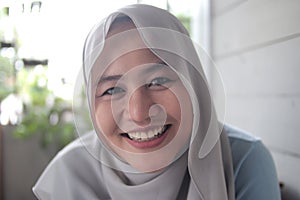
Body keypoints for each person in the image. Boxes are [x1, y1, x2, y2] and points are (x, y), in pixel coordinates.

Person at [33, 4, 281, 200]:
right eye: (112, 90)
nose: (139, 113)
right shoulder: (67, 177)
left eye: (157, 81)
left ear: (192, 83)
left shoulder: (243, 160)